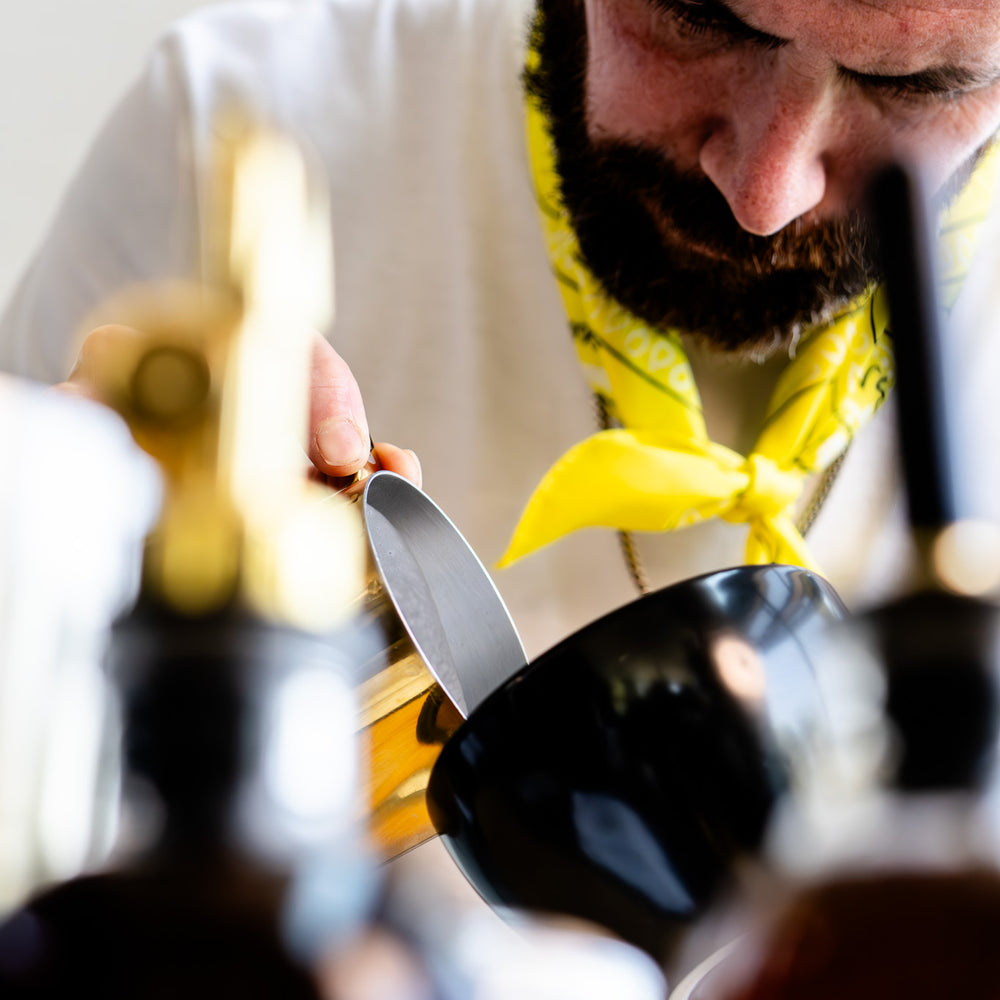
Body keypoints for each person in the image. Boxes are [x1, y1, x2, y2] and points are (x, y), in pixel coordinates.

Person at [3, 0, 1000, 659]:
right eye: (700, 14)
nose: (763, 194)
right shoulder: (235, 128)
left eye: (920, 87)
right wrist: (40, 560)